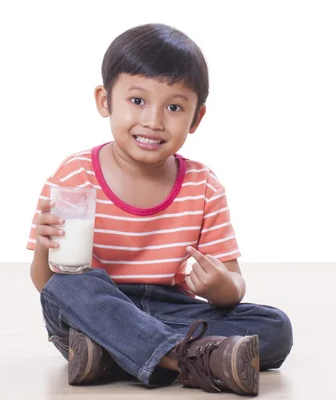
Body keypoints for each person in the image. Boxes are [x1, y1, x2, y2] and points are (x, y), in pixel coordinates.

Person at [27, 23, 293, 396]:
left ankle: (111, 355)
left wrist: (221, 290)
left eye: (173, 107)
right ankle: (182, 359)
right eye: (137, 101)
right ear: (105, 101)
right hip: (95, 309)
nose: (153, 121)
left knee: (274, 326)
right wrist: (44, 244)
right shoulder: (76, 175)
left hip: (171, 310)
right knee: (71, 286)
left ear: (196, 118)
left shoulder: (203, 186)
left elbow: (233, 284)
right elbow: (46, 283)